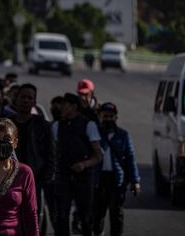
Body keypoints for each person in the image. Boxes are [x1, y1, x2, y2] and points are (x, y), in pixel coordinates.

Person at [52, 93, 102, 236]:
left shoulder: (89, 125)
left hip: (83, 178)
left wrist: (84, 164)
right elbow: (54, 151)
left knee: (86, 217)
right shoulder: (57, 126)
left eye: (65, 104)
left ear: (74, 107)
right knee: (61, 215)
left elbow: (98, 156)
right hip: (63, 177)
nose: (61, 107)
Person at [93, 103, 141, 236]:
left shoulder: (123, 135)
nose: (108, 119)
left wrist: (135, 181)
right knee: (97, 212)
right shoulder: (94, 133)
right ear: (100, 117)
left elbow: (131, 158)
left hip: (117, 180)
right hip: (99, 179)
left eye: (111, 116)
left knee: (116, 213)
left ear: (116, 118)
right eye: (105, 116)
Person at [11, 83, 54, 222]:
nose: (26, 100)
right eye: (23, 97)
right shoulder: (6, 124)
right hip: (9, 183)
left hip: (35, 184)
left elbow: (51, 156)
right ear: (15, 99)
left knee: (33, 222)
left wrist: (41, 181)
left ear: (34, 102)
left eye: (30, 98)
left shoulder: (43, 126)